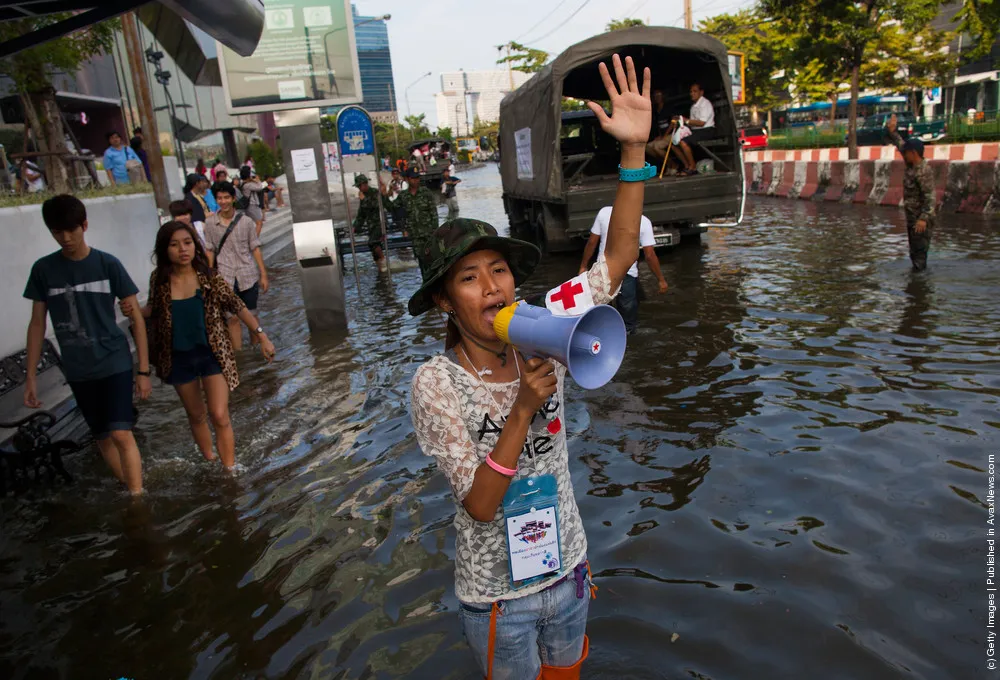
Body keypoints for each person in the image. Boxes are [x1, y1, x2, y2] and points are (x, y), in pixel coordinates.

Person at [409, 54, 650, 680]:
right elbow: (482, 505)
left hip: (567, 571)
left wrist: (633, 153)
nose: (491, 286)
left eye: (499, 270)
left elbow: (621, 253)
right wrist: (522, 408)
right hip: (497, 602)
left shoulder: (549, 324)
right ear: (444, 300)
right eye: (469, 277)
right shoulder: (436, 383)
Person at [22, 194, 153, 495]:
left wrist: (143, 371)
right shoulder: (44, 270)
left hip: (114, 359)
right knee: (102, 437)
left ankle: (137, 498)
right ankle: (129, 484)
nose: (66, 238)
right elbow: (37, 324)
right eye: (57, 232)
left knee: (121, 432)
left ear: (85, 225)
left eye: (72, 230)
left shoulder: (108, 264)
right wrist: (31, 376)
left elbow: (137, 320)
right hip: (79, 368)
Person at [123, 221, 275, 468]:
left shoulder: (209, 277)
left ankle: (229, 469)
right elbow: (155, 309)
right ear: (164, 250)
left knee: (219, 414)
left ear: (195, 245)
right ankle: (210, 459)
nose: (183, 249)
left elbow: (236, 305)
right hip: (178, 357)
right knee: (196, 415)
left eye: (187, 243)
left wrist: (262, 335)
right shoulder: (159, 279)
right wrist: (135, 311)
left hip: (212, 354)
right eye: (174, 245)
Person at [578, 206, 668, 334]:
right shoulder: (643, 221)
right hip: (627, 273)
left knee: (602, 312)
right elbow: (649, 255)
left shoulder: (604, 213)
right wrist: (661, 279)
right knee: (628, 321)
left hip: (603, 271)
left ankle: (603, 337)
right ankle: (626, 339)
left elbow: (592, 242)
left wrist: (583, 266)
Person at [203, 182, 269, 351]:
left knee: (252, 316)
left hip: (247, 274)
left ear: (233, 199)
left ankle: (256, 350)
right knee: (231, 318)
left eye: (226, 197)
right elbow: (209, 250)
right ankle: (239, 356)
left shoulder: (246, 222)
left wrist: (263, 275)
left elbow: (255, 247)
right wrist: (210, 275)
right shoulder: (210, 224)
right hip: (225, 277)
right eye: (219, 198)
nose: (223, 201)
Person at [887, 114, 935, 271]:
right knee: (914, 252)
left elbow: (930, 198)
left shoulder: (923, 171)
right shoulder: (911, 164)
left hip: (921, 221)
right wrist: (892, 131)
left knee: (920, 253)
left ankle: (920, 285)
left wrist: (923, 219)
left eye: (906, 152)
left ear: (914, 153)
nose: (903, 154)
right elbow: (900, 144)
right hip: (912, 217)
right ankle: (915, 286)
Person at [387, 167, 438, 275]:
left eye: (417, 178)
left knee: (433, 261)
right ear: (408, 179)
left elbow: (434, 213)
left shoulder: (426, 193)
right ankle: (426, 285)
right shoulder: (404, 196)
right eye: (413, 178)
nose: (416, 180)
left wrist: (435, 231)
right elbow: (392, 207)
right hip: (415, 235)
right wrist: (384, 195)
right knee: (421, 262)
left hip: (429, 234)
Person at [670, 82, 715, 176]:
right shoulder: (693, 106)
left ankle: (693, 167)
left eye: (695, 91)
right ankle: (687, 166)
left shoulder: (705, 103)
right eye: (691, 91)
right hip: (695, 131)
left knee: (684, 142)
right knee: (674, 144)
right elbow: (691, 123)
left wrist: (686, 120)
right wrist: (680, 121)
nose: (692, 94)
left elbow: (702, 123)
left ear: (701, 92)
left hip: (707, 130)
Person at [353, 174, 387, 271]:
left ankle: (384, 263)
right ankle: (380, 266)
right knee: (372, 247)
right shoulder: (363, 195)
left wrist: (364, 199)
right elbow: (361, 213)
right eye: (358, 186)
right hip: (371, 225)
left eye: (360, 186)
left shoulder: (374, 192)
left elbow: (376, 205)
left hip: (380, 223)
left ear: (365, 184)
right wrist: (356, 226)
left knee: (373, 242)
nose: (359, 188)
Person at [645, 89, 675, 166]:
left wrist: (664, 136)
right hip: (662, 136)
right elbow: (657, 126)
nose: (657, 98)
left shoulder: (668, 107)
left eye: (659, 95)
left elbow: (673, 123)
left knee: (657, 147)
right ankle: (667, 164)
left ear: (663, 96)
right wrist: (659, 136)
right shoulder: (655, 110)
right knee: (647, 147)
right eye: (655, 96)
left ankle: (673, 165)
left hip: (671, 134)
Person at [238, 166, 265, 236]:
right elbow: (260, 187)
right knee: (259, 223)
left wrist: (252, 180)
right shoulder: (248, 185)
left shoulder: (242, 183)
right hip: (251, 205)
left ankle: (252, 240)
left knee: (254, 224)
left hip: (249, 205)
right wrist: (258, 180)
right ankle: (254, 242)